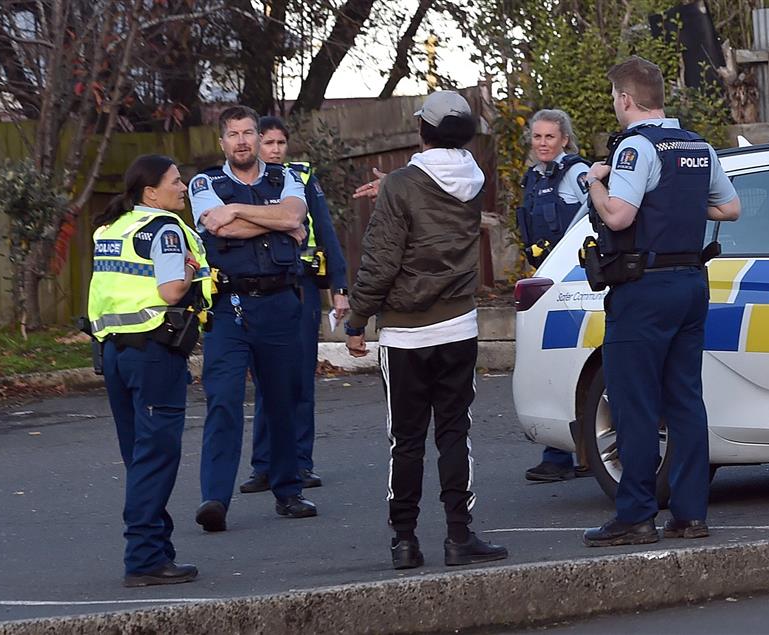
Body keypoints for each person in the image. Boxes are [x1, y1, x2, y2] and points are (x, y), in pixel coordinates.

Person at [579, 57, 741, 547]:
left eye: (614, 98)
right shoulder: (697, 146)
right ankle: (691, 515)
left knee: (635, 402)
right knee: (686, 399)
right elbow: (729, 208)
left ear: (626, 99)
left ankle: (636, 515)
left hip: (644, 289)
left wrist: (594, 181)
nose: (615, 105)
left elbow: (621, 217)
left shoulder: (635, 147)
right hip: (692, 283)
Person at [345, 90, 509, 570]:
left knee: (407, 438)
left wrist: (357, 319)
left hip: (405, 334)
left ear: (424, 131)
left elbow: (380, 261)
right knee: (455, 433)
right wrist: (396, 184)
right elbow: (435, 186)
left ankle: (404, 540)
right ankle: (460, 536)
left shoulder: (403, 184)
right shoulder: (473, 178)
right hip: (457, 325)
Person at [188, 105, 316, 532]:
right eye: (233, 134)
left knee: (281, 399)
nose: (242, 141)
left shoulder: (289, 178)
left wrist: (239, 211)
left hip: (279, 302)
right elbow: (219, 229)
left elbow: (294, 216)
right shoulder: (205, 182)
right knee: (223, 400)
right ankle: (214, 500)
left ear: (260, 139)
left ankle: (287, 490)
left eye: (249, 133)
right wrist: (273, 221)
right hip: (228, 308)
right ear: (221, 142)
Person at [88, 154, 211, 586]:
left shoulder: (111, 228)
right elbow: (172, 289)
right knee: (156, 458)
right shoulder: (164, 229)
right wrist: (194, 268)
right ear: (151, 192)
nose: (183, 187)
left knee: (139, 457)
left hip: (114, 355)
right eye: (176, 181)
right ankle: (143, 558)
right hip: (154, 355)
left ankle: (156, 549)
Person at [236, 115, 351, 494]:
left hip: (298, 287)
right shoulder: (238, 181)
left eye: (280, 143)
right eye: (267, 143)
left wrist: (339, 286)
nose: (274, 150)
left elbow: (327, 234)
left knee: (298, 379)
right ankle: (264, 466)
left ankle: (300, 462)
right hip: (255, 290)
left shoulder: (299, 180)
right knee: (266, 383)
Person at [517, 108, 594, 483]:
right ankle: (570, 454)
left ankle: (561, 456)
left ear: (565, 139)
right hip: (545, 279)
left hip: (574, 280)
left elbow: (594, 215)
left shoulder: (578, 174)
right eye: (537, 137)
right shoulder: (533, 178)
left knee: (565, 360)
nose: (543, 143)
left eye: (550, 137)